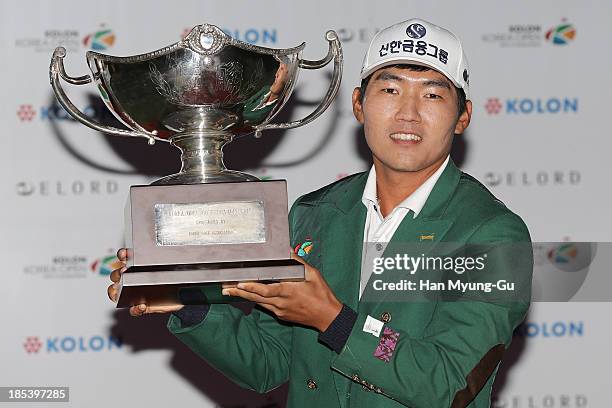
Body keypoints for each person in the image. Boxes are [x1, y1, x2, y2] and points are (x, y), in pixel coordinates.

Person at [108, 18, 532, 407]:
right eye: (390, 89)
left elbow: (450, 383)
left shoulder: (491, 233)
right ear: (359, 105)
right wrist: (190, 303)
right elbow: (268, 363)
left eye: (433, 94)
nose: (408, 112)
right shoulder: (314, 214)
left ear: (463, 117)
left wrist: (334, 320)